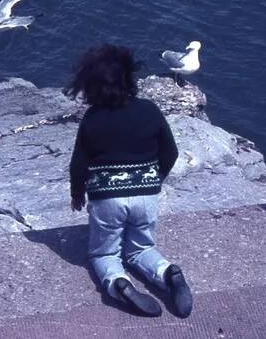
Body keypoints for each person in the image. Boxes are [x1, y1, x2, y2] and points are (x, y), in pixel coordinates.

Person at [66, 44, 193, 318]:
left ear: (90, 86)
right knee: (141, 248)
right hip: (146, 195)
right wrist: (152, 180)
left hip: (107, 200)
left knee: (104, 255)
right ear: (129, 78)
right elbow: (170, 152)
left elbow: (78, 164)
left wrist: (77, 193)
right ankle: (168, 273)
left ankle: (118, 283)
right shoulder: (149, 110)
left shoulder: (92, 119)